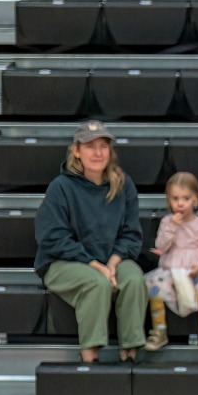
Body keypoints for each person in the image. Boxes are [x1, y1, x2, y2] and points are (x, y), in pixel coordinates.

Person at [35, 121, 145, 363]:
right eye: (90, 146)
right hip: (64, 262)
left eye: (103, 146)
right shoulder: (61, 187)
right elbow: (51, 237)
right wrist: (95, 264)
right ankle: (90, 357)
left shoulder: (123, 185)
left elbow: (132, 234)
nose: (97, 153)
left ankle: (130, 356)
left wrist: (114, 263)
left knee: (134, 278)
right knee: (97, 283)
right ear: (76, 151)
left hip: (110, 258)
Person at [143, 171, 198, 362]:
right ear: (169, 201)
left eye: (186, 198)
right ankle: (159, 330)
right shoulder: (166, 223)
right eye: (175, 198)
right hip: (171, 269)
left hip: (196, 270)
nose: (180, 203)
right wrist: (172, 227)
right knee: (155, 289)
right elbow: (161, 247)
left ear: (195, 200)